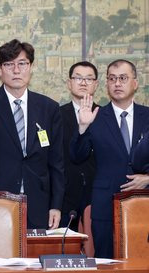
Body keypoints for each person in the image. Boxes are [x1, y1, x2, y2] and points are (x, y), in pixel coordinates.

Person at [0, 39, 64, 229]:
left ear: (31, 67)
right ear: (0, 71)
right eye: (9, 64)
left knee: (35, 258)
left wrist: (56, 205)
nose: (16, 70)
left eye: (22, 64)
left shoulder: (48, 108)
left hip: (38, 203)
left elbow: (56, 162)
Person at [70, 59, 149, 258]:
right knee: (105, 259)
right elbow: (77, 157)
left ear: (135, 83)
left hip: (144, 201)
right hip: (106, 204)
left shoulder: (147, 116)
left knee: (142, 257)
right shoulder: (95, 117)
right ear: (106, 84)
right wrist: (82, 128)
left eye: (123, 78)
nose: (117, 83)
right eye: (112, 79)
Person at [59, 61, 99, 231]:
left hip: (97, 193)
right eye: (78, 78)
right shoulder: (56, 115)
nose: (83, 83)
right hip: (64, 195)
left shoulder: (105, 116)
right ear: (69, 83)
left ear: (96, 85)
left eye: (89, 79)